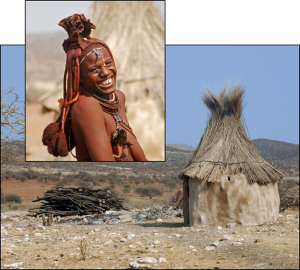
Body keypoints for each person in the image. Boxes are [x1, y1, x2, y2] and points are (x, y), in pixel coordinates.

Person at [42, 14, 147, 161]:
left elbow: (132, 145)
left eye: (108, 63)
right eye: (94, 70)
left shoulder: (118, 97)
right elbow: (105, 166)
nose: (105, 72)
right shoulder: (87, 106)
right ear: (81, 77)